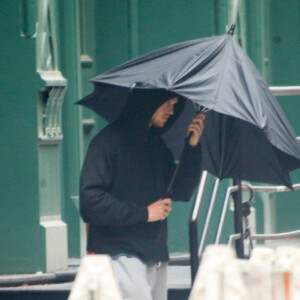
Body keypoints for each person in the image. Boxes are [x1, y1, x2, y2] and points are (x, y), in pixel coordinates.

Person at [80, 89, 205, 300]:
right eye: (167, 103)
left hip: (154, 253)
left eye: (175, 105)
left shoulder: (156, 144)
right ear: (149, 102)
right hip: (119, 252)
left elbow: (180, 191)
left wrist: (192, 147)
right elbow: (90, 201)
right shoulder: (106, 143)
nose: (172, 111)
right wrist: (144, 213)